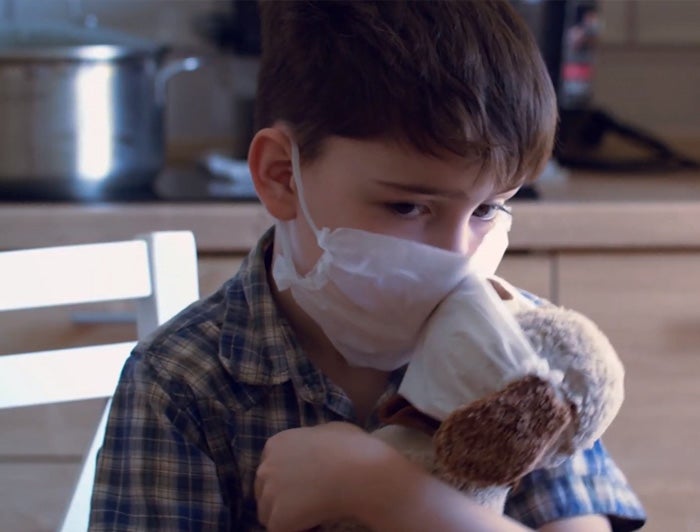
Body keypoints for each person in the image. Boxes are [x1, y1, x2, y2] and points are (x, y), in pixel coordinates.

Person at [89, 1, 646, 531]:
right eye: (407, 206)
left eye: (487, 209)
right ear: (283, 175)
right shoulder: (181, 383)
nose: (457, 256)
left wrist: (380, 490)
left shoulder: (527, 349)